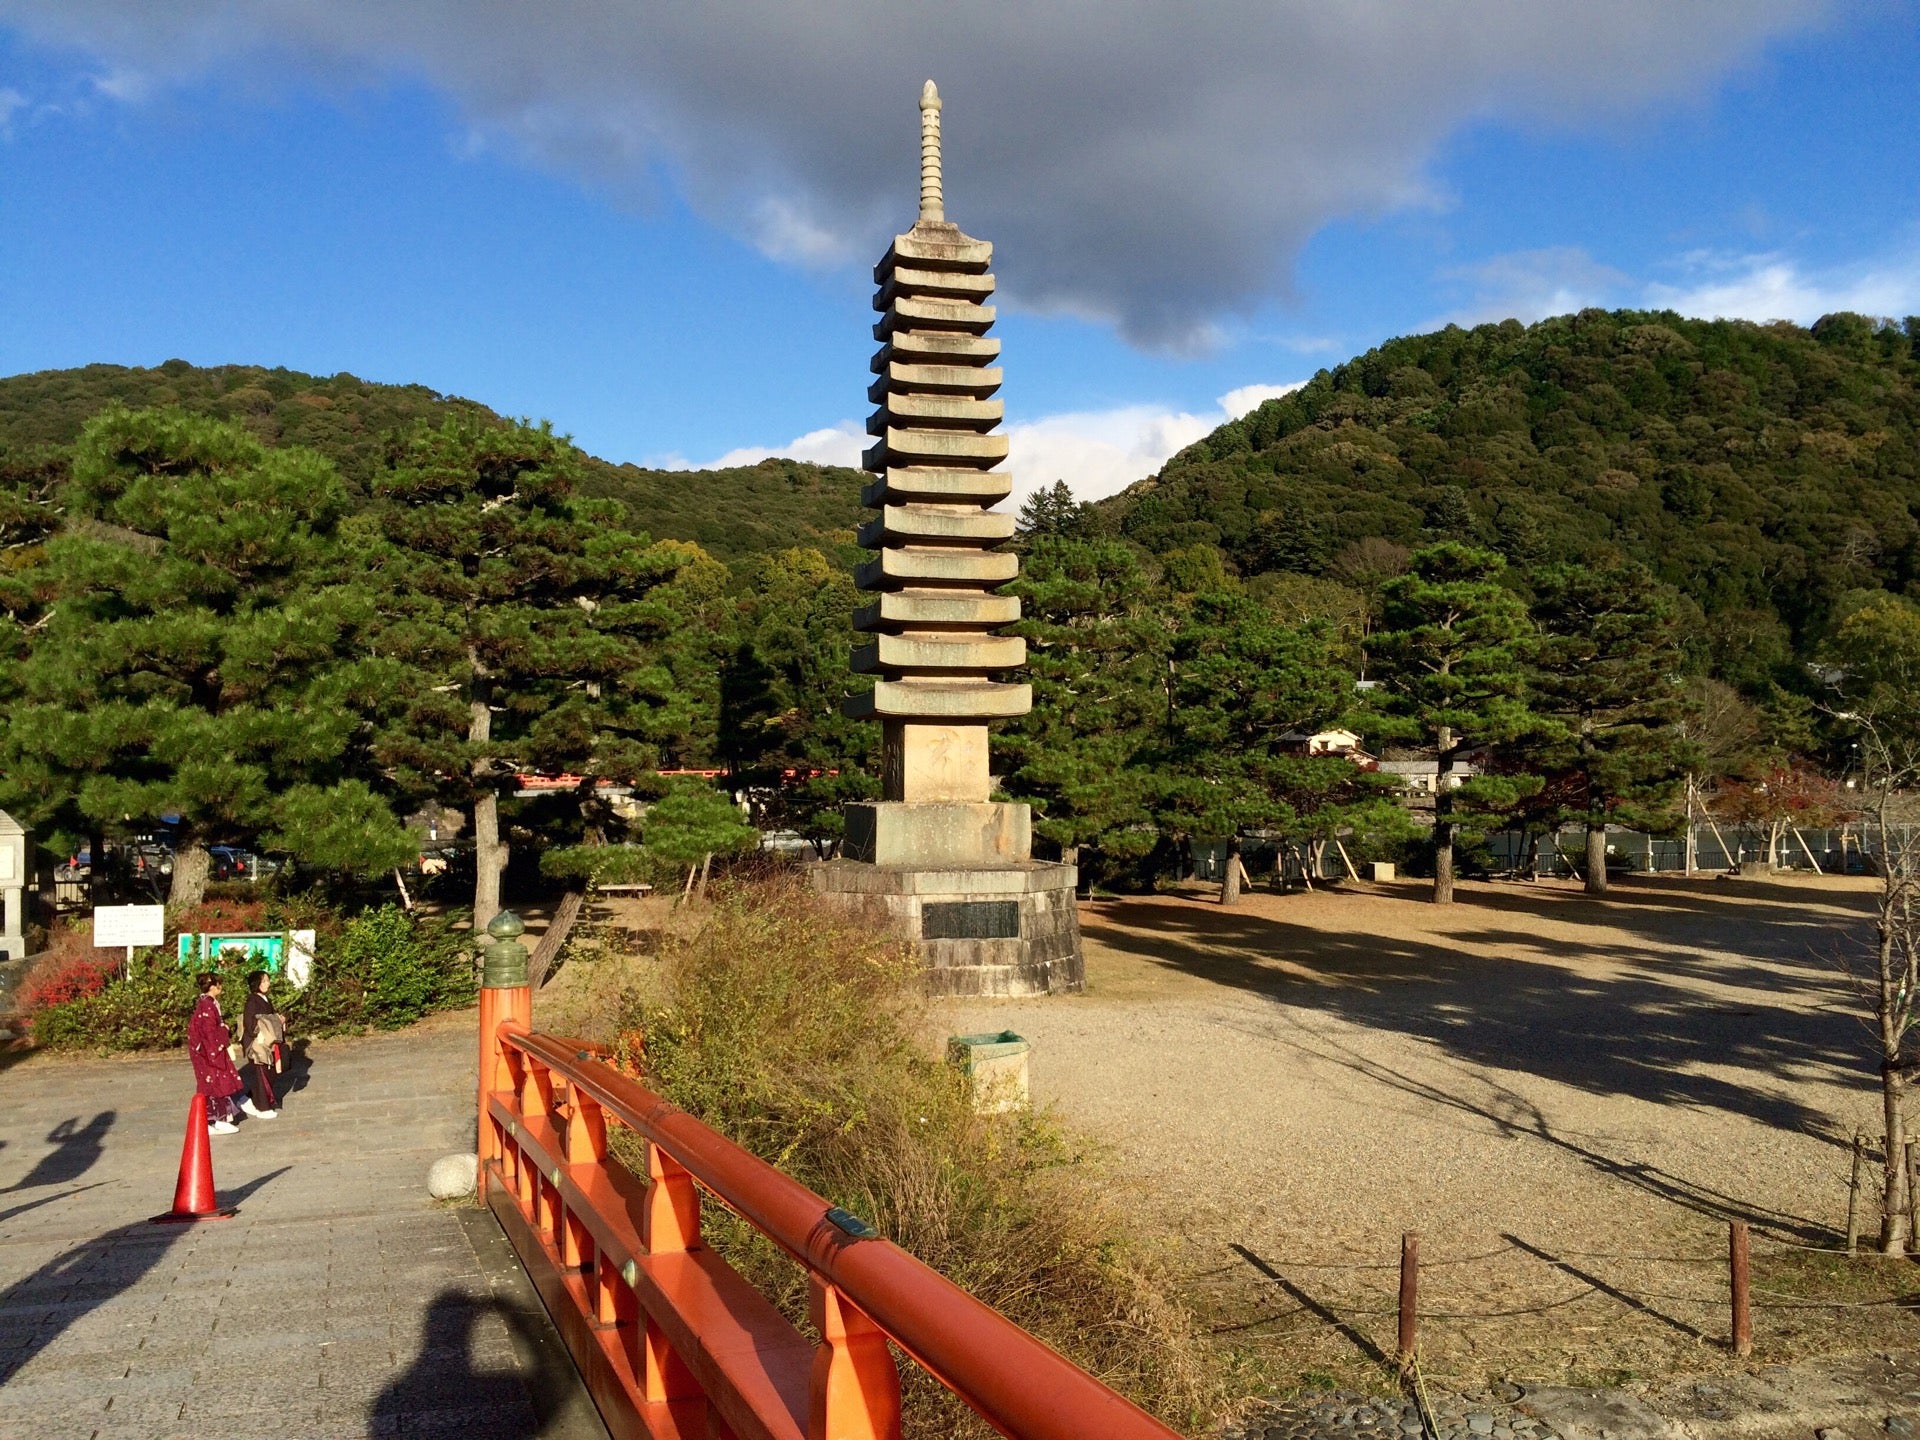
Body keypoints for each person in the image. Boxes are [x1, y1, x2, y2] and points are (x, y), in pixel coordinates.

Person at [187, 972, 245, 1135]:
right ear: (212, 986)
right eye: (218, 983)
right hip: (209, 1051)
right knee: (218, 1084)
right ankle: (217, 1120)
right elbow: (209, 1032)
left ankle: (212, 1120)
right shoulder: (207, 1006)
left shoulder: (206, 1004)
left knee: (212, 1084)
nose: (221, 986)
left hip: (206, 1050)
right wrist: (224, 1030)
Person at [239, 969, 284, 1120]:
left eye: (267, 980)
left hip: (267, 1042)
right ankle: (262, 1107)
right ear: (256, 983)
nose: (267, 983)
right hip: (258, 1042)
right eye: (264, 981)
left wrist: (277, 1019)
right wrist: (271, 1021)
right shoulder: (252, 1000)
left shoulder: (265, 999)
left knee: (269, 1073)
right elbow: (250, 1023)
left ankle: (248, 1099)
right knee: (262, 1073)